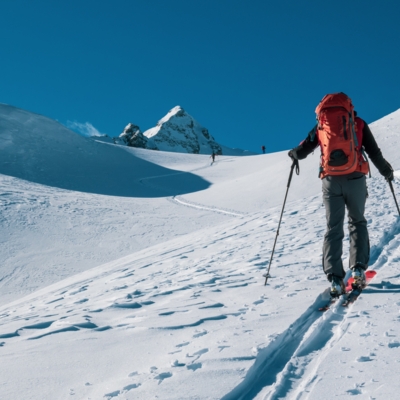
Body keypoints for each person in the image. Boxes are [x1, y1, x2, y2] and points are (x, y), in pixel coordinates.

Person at [288, 93, 394, 297]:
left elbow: (302, 151)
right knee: (357, 222)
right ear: (349, 106)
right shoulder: (358, 123)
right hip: (355, 178)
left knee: (333, 227)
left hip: (330, 181)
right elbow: (374, 152)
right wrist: (386, 171)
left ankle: (335, 279)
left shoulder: (321, 125)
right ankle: (357, 270)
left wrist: (294, 154)